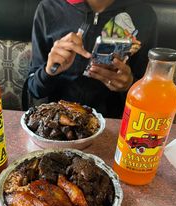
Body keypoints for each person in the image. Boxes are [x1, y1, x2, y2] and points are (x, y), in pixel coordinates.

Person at [23, 0, 157, 118]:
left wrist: (129, 85)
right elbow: (34, 89)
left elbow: (149, 96)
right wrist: (49, 71)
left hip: (114, 125)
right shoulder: (48, 9)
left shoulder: (144, 15)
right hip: (58, 122)